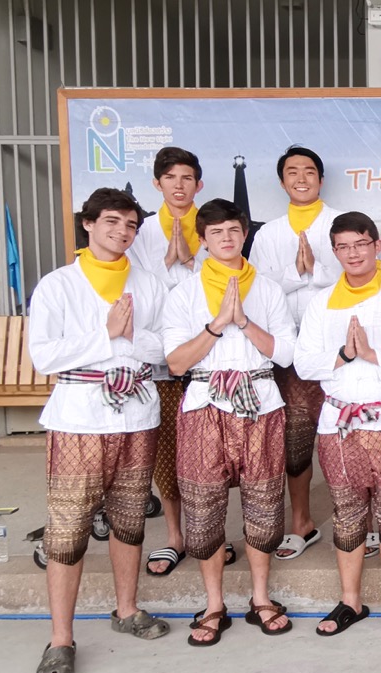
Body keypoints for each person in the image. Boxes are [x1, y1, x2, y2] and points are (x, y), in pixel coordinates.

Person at [29, 187, 171, 673]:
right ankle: (60, 639)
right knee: (68, 529)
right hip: (79, 419)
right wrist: (106, 334)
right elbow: (43, 356)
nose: (122, 232)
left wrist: (131, 337)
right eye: (112, 221)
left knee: (130, 518)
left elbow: (166, 349)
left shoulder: (149, 283)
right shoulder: (58, 285)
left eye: (131, 225)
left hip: (136, 414)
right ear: (88, 224)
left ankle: (126, 610)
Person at [164, 198, 298, 646]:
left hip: (260, 401)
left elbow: (286, 354)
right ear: (203, 240)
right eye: (216, 232)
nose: (226, 238)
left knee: (264, 504)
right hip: (205, 404)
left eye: (234, 231)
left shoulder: (269, 289)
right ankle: (214, 604)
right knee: (203, 509)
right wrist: (218, 324)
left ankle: (261, 597)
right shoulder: (184, 294)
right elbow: (177, 363)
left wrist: (245, 320)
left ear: (245, 235)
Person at [294, 211, 381, 638]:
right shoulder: (321, 303)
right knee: (347, 512)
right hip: (339, 422)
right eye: (343, 247)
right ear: (334, 252)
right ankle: (350, 601)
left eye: (360, 244)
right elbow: (303, 364)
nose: (353, 254)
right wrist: (344, 355)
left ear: (376, 246)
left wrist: (373, 354)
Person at [125, 146, 234, 577]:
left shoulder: (214, 227)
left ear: (198, 184)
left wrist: (189, 262)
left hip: (212, 356)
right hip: (163, 359)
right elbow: (136, 295)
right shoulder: (141, 234)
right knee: (168, 452)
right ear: (157, 184)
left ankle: (212, 534)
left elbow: (227, 286)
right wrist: (166, 264)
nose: (179, 185)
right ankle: (175, 536)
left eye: (187, 178)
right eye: (170, 178)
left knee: (214, 454)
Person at [250, 146, 342, 561]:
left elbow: (357, 279)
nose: (301, 178)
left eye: (309, 171)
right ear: (282, 181)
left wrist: (317, 272)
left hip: (339, 348)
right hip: (288, 352)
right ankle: (302, 522)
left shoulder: (340, 224)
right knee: (295, 439)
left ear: (321, 179)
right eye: (292, 172)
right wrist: (295, 273)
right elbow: (257, 292)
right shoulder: (268, 234)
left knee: (350, 435)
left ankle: (358, 522)